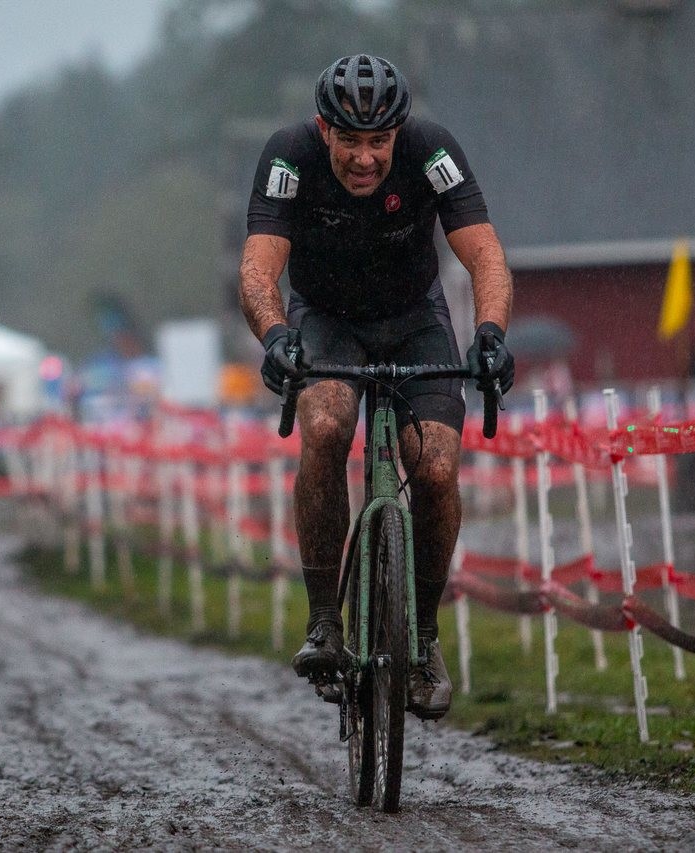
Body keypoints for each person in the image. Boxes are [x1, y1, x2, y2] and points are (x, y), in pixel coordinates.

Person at [238, 54, 515, 720]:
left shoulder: (431, 150)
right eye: (350, 141)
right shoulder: (288, 156)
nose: (365, 158)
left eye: (378, 143)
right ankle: (326, 620)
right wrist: (276, 337)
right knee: (328, 424)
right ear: (323, 129)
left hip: (414, 317)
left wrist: (491, 332)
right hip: (324, 319)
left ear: (399, 133)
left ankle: (420, 635)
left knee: (439, 469)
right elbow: (257, 269)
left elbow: (484, 254)